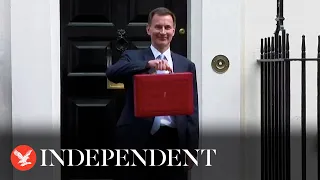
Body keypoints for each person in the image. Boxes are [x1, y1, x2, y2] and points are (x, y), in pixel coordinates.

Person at [106, 7, 199, 180]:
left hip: (173, 140)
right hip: (137, 138)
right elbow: (112, 72)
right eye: (157, 27)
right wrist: (148, 64)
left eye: (167, 27)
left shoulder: (186, 65)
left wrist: (192, 148)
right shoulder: (133, 57)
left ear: (173, 30)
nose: (162, 32)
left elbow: (192, 109)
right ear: (148, 29)